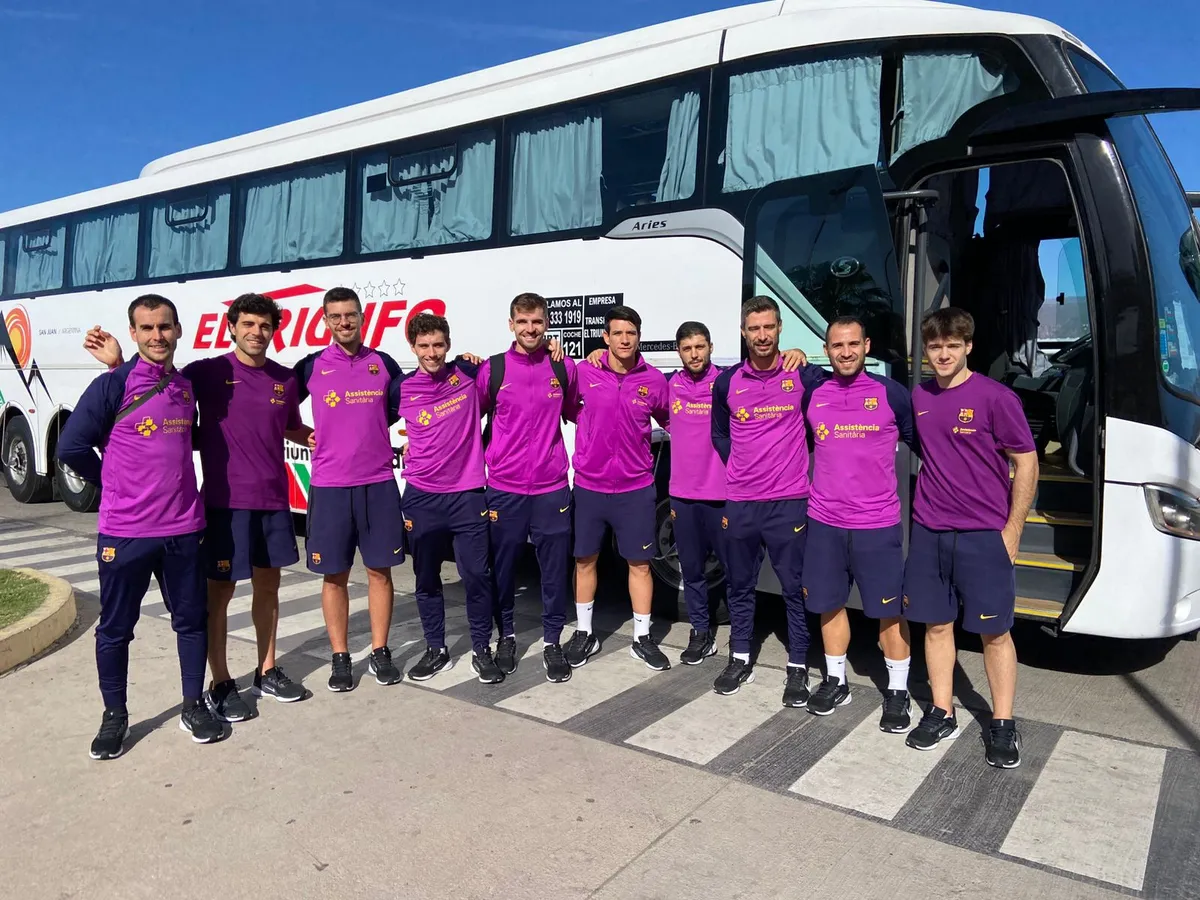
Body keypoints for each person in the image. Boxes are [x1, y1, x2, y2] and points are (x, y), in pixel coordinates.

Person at [83, 293, 313, 721]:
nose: (256, 332)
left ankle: (266, 670)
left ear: (274, 330)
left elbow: (291, 427)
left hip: (273, 502)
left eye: (264, 325)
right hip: (224, 504)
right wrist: (117, 364)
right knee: (219, 596)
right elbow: (155, 383)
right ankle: (221, 682)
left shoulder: (284, 379)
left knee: (269, 588)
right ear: (232, 328)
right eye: (248, 324)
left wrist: (325, 436)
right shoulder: (206, 372)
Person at [59, 294, 223, 759]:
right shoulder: (112, 385)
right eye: (147, 328)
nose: (157, 336)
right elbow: (71, 447)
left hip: (183, 529)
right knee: (115, 628)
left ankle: (193, 704)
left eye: (165, 327)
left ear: (178, 330)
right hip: (125, 532)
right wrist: (111, 482)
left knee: (191, 621)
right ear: (133, 333)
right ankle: (115, 716)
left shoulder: (185, 387)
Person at [902, 307, 1037, 768]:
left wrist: (1013, 530)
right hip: (930, 530)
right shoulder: (919, 396)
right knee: (936, 626)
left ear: (968, 347)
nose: (943, 355)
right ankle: (942, 710)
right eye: (935, 347)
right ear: (926, 350)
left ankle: (1002, 723)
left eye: (952, 346)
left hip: (983, 534)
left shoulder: (996, 398)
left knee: (994, 633)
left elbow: (1026, 462)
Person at [657, 323, 809, 665]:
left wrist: (796, 354)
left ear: (711, 347)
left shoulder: (726, 381)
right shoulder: (669, 384)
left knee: (736, 574)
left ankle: (740, 638)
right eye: (687, 349)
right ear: (678, 352)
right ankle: (700, 633)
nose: (694, 354)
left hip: (724, 495)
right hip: (682, 495)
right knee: (692, 570)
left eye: (700, 347)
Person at [801, 316, 919, 730]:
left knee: (889, 611)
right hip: (824, 521)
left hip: (877, 523)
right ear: (826, 350)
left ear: (867, 346)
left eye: (853, 344)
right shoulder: (814, 393)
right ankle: (836, 681)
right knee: (829, 603)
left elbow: (921, 442)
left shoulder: (891, 393)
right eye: (837, 345)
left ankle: (898, 692)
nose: (846, 352)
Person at [711, 295, 828, 705]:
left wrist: (806, 358)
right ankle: (739, 657)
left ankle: (798, 667)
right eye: (754, 328)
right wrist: (740, 465)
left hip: (788, 501)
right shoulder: (727, 382)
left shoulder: (803, 375)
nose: (762, 335)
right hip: (742, 502)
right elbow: (719, 433)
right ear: (744, 333)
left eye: (768, 327)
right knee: (739, 584)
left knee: (795, 588)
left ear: (780, 329)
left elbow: (836, 394)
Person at [294, 287, 406, 692]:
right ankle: (340, 657)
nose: (344, 322)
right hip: (330, 486)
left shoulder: (384, 363)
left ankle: (379, 651)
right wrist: (300, 433)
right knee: (334, 575)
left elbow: (410, 402)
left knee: (380, 572)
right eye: (336, 316)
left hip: (378, 482)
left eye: (351, 315)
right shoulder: (310, 366)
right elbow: (276, 409)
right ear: (325, 321)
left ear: (362, 318)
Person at [393, 313, 503, 684]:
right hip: (421, 497)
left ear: (449, 345)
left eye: (438, 345)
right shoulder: (400, 388)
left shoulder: (470, 373)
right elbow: (364, 422)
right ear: (412, 347)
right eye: (424, 346)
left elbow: (514, 374)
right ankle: (436, 649)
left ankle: (482, 649)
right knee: (426, 578)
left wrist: (553, 349)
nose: (432, 353)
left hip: (467, 496)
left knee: (477, 576)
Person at [477, 293, 576, 683]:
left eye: (536, 322)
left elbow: (579, 411)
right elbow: (468, 417)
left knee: (554, 571)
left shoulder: (562, 367)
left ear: (546, 324)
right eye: (523, 321)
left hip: (551, 487)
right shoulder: (494, 369)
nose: (530, 329)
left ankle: (552, 641)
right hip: (505, 487)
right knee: (502, 570)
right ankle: (507, 637)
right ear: (511, 324)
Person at [566, 305, 671, 671]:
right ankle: (584, 633)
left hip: (636, 488)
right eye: (618, 333)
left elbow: (672, 420)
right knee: (584, 560)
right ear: (606, 337)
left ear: (638, 337)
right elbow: (567, 407)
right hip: (590, 485)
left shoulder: (654, 380)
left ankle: (642, 638)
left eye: (631, 333)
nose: (625, 339)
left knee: (640, 565)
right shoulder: (584, 372)